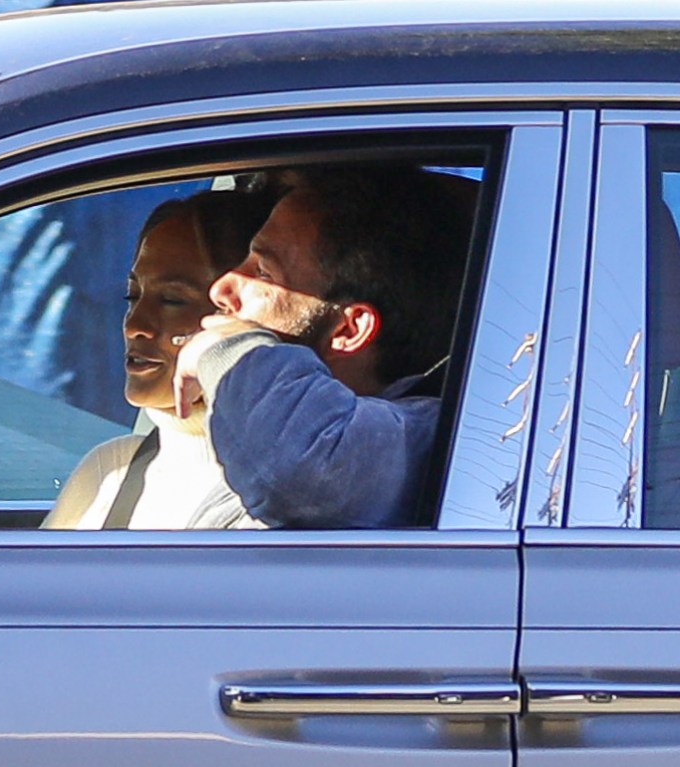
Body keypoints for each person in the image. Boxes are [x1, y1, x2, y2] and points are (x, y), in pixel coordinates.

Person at [175, 165, 475, 529]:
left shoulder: (426, 445)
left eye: (263, 272)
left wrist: (232, 348)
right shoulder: (263, 440)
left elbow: (308, 473)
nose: (220, 288)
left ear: (349, 330)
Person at [43, 187, 275, 529]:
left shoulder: (279, 496)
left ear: (243, 315)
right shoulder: (112, 470)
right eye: (132, 295)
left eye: (172, 300)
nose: (134, 325)